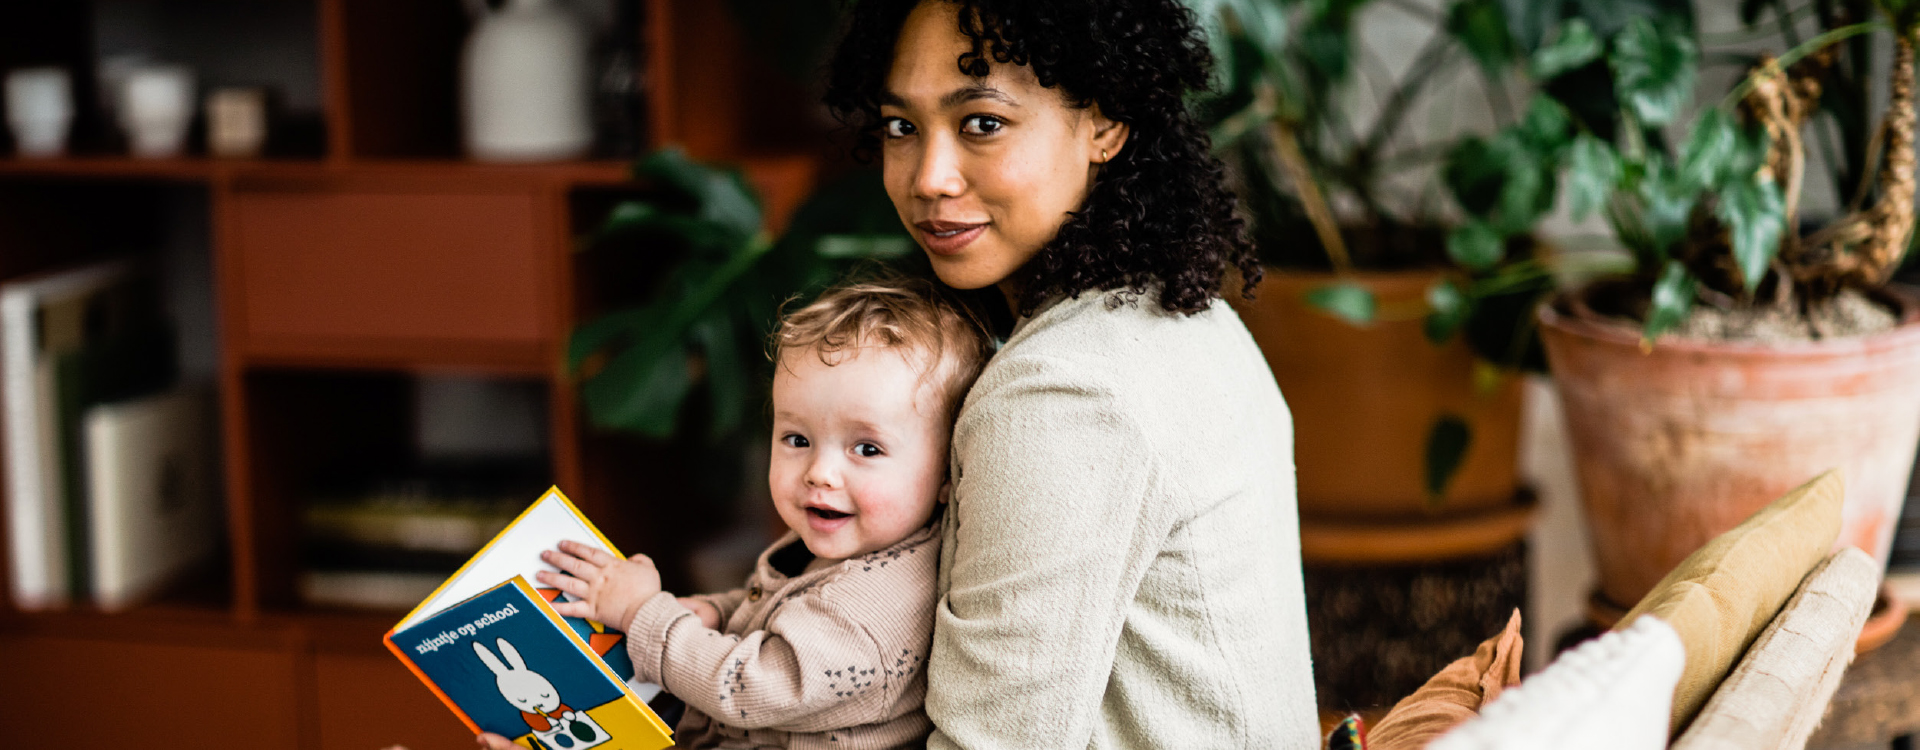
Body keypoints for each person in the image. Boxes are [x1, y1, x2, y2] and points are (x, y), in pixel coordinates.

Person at [823, 0, 1318, 747]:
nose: (929, 177)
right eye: (902, 126)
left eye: (982, 123)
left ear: (1106, 123)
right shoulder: (1184, 319)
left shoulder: (1064, 392)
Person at [497, 276, 993, 749]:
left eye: (866, 449)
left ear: (948, 471)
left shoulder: (874, 611)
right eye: (797, 439)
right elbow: (788, 610)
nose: (819, 472)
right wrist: (722, 611)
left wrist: (642, 614)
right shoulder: (862, 543)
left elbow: (743, 686)